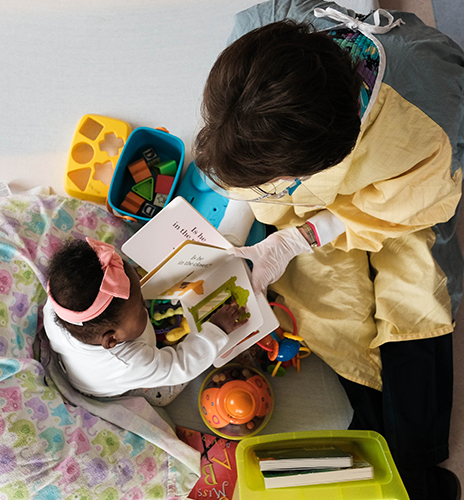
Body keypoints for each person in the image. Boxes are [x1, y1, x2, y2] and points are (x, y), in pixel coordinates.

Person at [194, 2, 464, 499]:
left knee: (417, 289)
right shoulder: (252, 37)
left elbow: (410, 205)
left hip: (402, 202)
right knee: (321, 299)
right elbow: (242, 167)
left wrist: (303, 236)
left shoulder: (430, 114)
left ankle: (416, 462)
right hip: (308, 190)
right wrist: (237, 233)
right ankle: (390, 455)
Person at [43, 237, 247, 405]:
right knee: (161, 396)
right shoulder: (130, 363)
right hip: (106, 386)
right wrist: (217, 330)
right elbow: (180, 367)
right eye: (141, 307)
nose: (144, 306)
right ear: (111, 339)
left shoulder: (60, 306)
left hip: (87, 361)